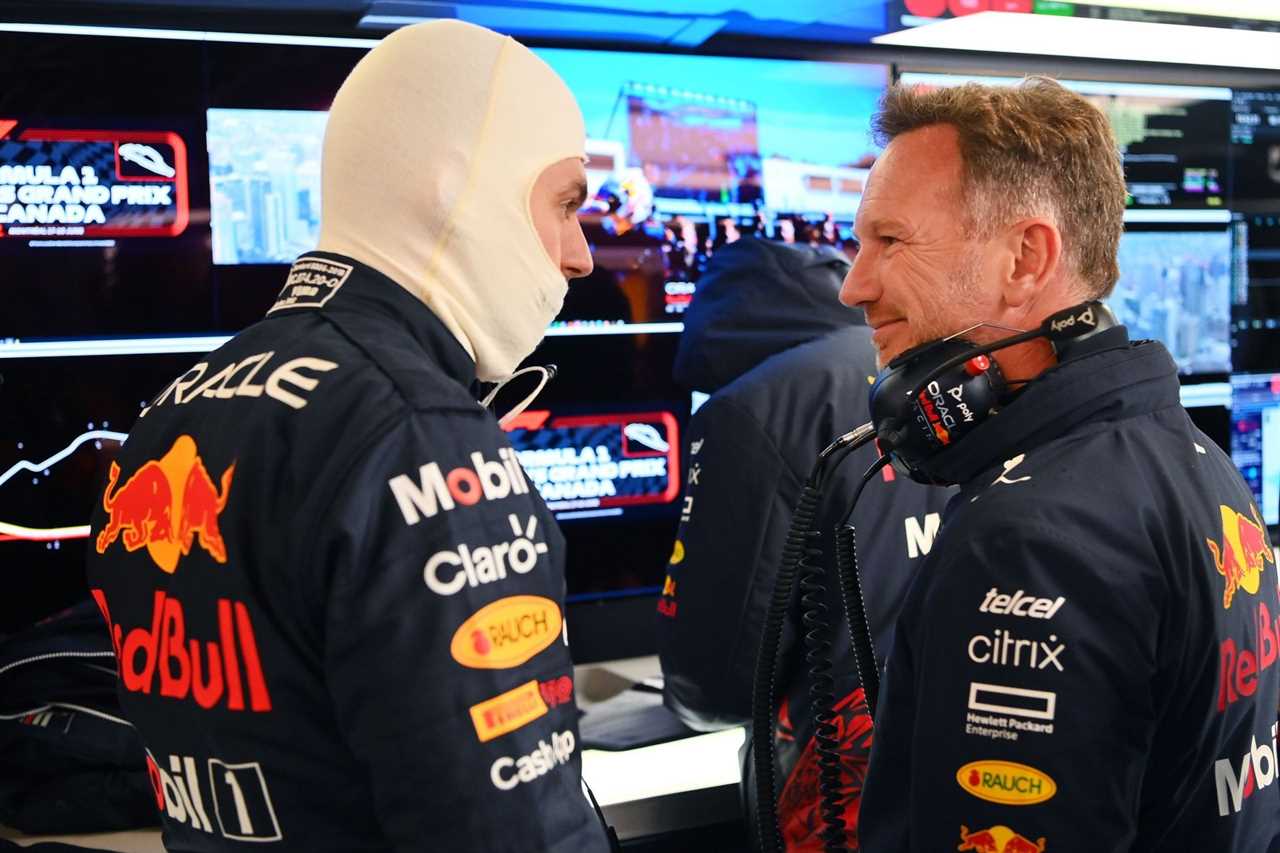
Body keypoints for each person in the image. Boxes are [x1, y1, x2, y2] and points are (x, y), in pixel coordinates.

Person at [85, 20, 612, 851]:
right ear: (456, 188)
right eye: (566, 202)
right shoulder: (421, 438)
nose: (579, 254)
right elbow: (514, 833)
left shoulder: (170, 414)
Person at [848, 78, 1280, 852]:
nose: (856, 284)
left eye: (890, 241)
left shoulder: (1028, 538)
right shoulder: (1193, 459)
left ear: (1025, 258)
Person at [655, 235, 951, 850]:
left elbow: (717, 678)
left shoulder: (751, 406)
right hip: (960, 759)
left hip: (831, 796)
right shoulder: (941, 368)